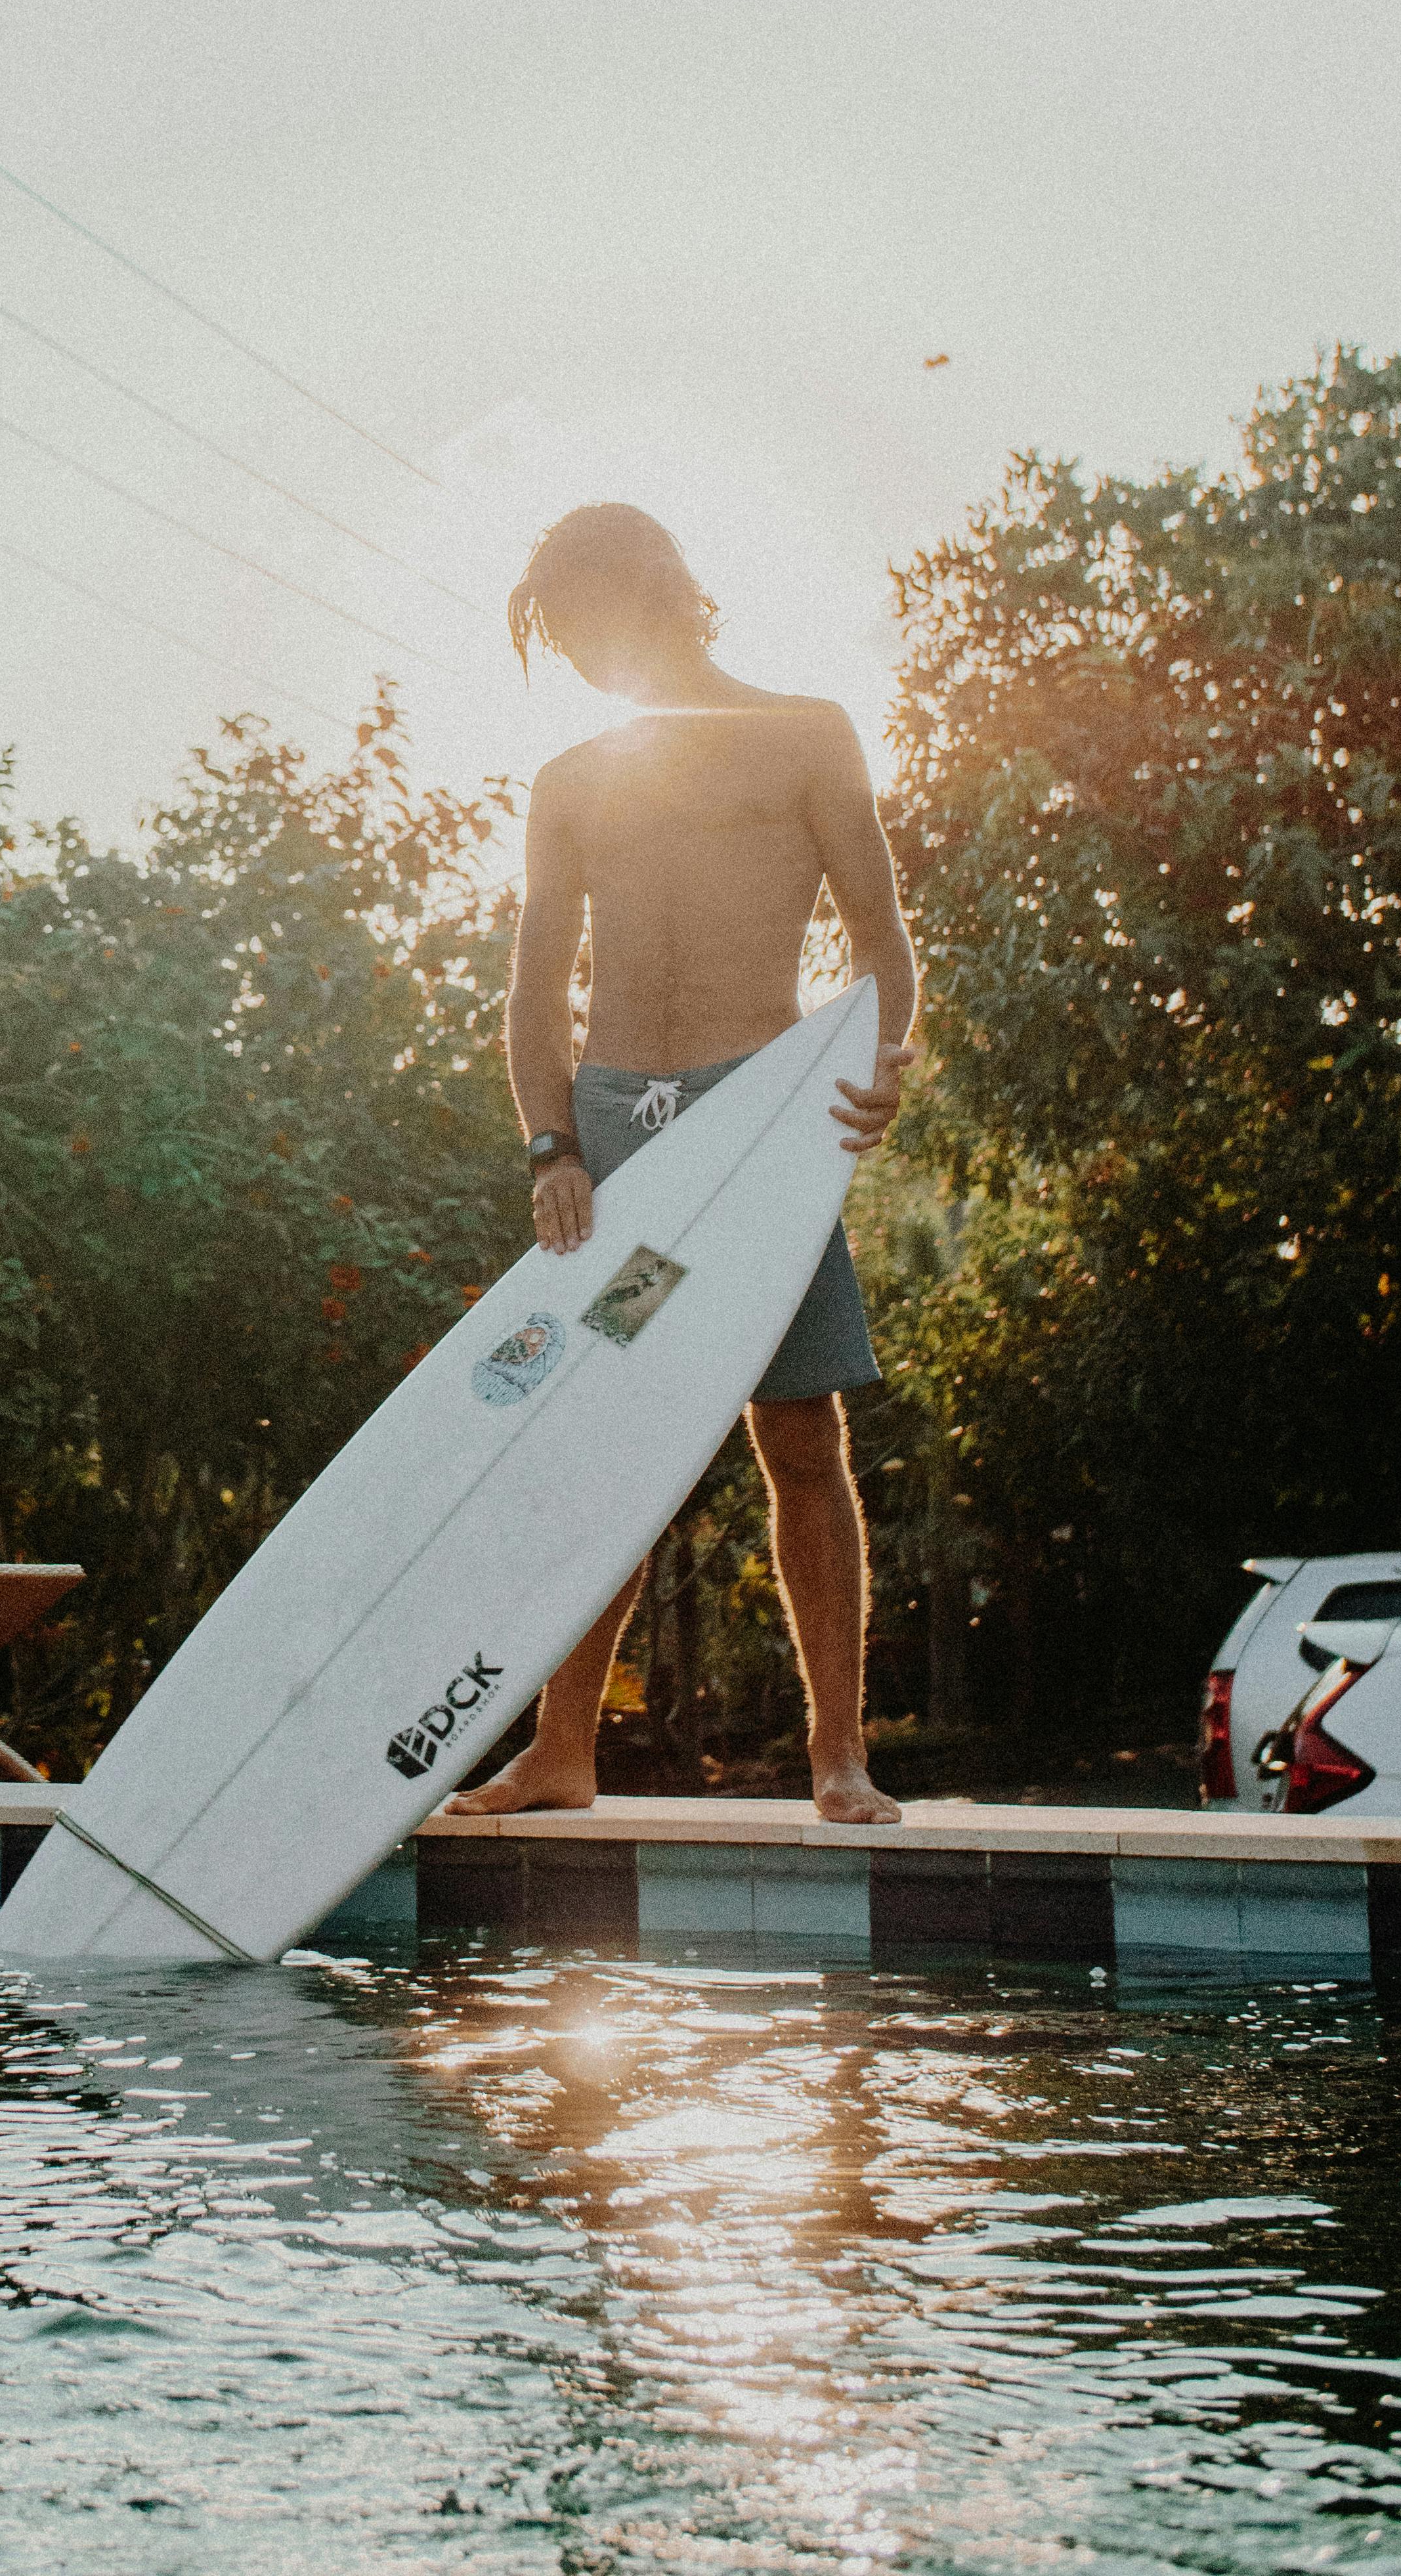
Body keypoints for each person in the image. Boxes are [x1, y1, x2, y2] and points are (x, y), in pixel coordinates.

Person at [447, 502, 918, 1829]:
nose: (579, 654)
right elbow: (534, 996)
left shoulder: (805, 734)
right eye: (557, 635)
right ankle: (562, 1752)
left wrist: (886, 1061)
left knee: (800, 1432)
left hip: (758, 1129)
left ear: (653, 591)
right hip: (621, 1141)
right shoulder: (570, 784)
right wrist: (551, 1142)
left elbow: (883, 938)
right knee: (602, 1438)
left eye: (585, 622)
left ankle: (839, 1754)